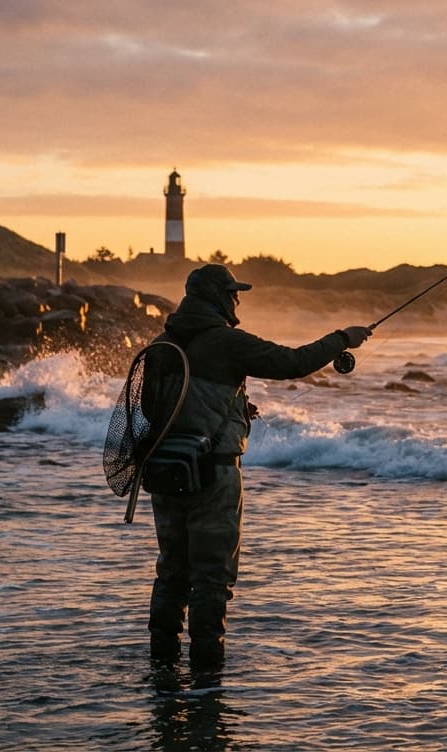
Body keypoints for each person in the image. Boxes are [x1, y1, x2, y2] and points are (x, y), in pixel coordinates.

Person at [141, 263, 371, 669]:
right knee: (212, 576)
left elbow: (156, 408)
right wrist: (341, 339)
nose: (236, 299)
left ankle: (162, 663)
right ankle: (207, 677)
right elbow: (293, 362)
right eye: (232, 293)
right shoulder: (225, 343)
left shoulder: (162, 344)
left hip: (165, 472)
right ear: (215, 297)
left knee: (172, 572)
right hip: (213, 475)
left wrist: (232, 408)